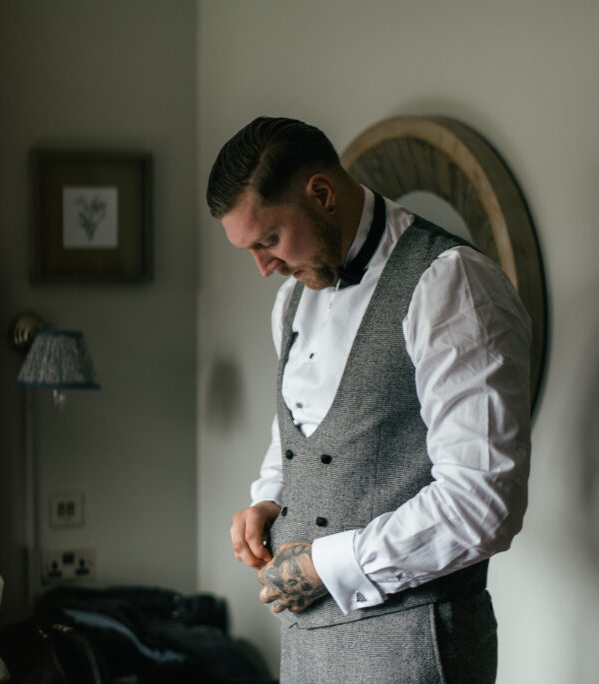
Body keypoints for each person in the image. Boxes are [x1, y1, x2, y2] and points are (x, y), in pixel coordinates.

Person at [208, 117, 531, 683]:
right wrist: (270, 502)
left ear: (322, 193)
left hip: (415, 649)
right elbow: (299, 439)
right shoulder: (291, 301)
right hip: (306, 650)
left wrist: (325, 565)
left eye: (269, 240)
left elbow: (483, 500)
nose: (263, 268)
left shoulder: (452, 284)